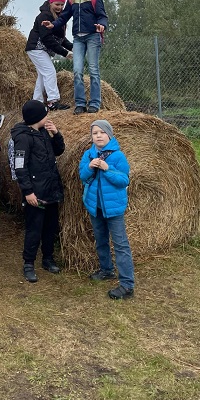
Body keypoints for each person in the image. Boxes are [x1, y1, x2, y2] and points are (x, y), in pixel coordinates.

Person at [10, 100, 65, 283]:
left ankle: (48, 259)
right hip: (35, 193)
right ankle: (28, 264)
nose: (48, 117)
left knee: (50, 227)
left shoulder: (42, 132)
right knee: (34, 228)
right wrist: (28, 192)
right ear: (37, 117)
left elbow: (59, 151)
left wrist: (56, 134)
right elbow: (20, 167)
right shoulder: (23, 137)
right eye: (45, 114)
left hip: (50, 189)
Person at [79, 119, 134, 300]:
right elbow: (82, 176)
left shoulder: (118, 156)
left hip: (114, 209)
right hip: (96, 207)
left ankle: (127, 284)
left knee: (120, 244)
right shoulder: (88, 155)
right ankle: (106, 270)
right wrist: (89, 167)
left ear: (109, 135)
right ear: (92, 137)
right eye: (95, 133)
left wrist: (107, 168)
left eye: (102, 132)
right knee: (101, 240)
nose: (98, 136)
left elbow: (124, 180)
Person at [42, 0, 108, 114]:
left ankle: (95, 103)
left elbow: (102, 16)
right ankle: (79, 103)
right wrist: (52, 25)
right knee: (77, 71)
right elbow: (64, 16)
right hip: (78, 38)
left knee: (93, 70)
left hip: (92, 37)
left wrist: (102, 25)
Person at [25, 0, 73, 111]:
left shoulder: (59, 16)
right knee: (50, 72)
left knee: (42, 75)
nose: (60, 7)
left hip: (42, 50)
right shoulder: (44, 15)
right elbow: (47, 39)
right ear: (51, 2)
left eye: (62, 5)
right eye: (57, 4)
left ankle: (37, 103)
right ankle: (53, 102)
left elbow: (61, 39)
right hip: (36, 48)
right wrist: (65, 53)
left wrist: (74, 47)